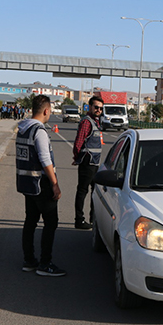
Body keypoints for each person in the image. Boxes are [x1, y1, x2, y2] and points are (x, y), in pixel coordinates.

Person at [16, 95, 65, 276]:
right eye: (50, 111)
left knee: (30, 221)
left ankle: (29, 260)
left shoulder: (23, 129)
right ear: (46, 111)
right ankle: (45, 263)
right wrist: (55, 184)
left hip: (28, 183)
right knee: (51, 223)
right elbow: (45, 159)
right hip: (41, 183)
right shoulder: (39, 131)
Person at [72, 95, 103, 229]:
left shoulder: (95, 121)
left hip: (94, 163)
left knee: (94, 191)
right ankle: (79, 220)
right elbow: (79, 142)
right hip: (87, 161)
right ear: (89, 107)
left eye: (101, 108)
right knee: (82, 190)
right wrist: (77, 157)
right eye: (96, 107)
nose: (98, 110)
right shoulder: (87, 122)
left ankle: (92, 219)